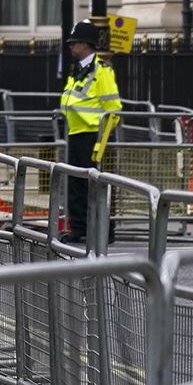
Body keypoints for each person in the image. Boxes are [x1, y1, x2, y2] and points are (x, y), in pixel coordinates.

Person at [60, 19, 121, 244]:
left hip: (93, 134)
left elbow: (113, 108)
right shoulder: (77, 69)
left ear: (85, 44)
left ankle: (105, 229)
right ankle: (79, 228)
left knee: (96, 185)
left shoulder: (101, 71)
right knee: (76, 184)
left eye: (73, 43)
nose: (70, 46)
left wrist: (102, 140)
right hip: (75, 132)